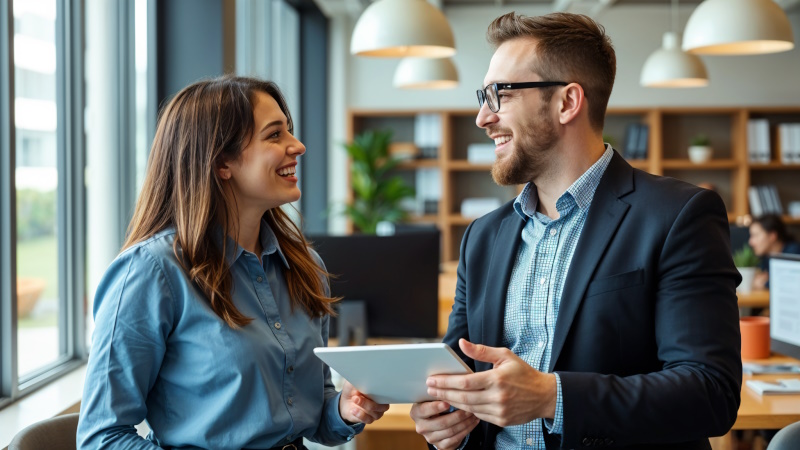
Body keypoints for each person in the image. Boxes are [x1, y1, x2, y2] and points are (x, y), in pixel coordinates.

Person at [410, 12, 742, 450]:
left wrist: (553, 396)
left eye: (499, 95)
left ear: (567, 102)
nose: (481, 117)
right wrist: (441, 417)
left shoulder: (678, 215)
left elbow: (709, 392)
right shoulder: (483, 237)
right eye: (482, 96)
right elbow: (456, 372)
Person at [77, 75, 388, 449]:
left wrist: (344, 410)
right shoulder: (151, 272)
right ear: (222, 162)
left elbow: (312, 413)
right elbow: (102, 438)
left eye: (289, 131)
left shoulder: (304, 268)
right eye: (275, 135)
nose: (299, 146)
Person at [749, 214, 800, 289]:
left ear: (772, 236)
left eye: (755, 235)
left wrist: (766, 283)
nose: (751, 242)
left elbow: (789, 283)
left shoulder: (793, 253)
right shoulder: (766, 257)